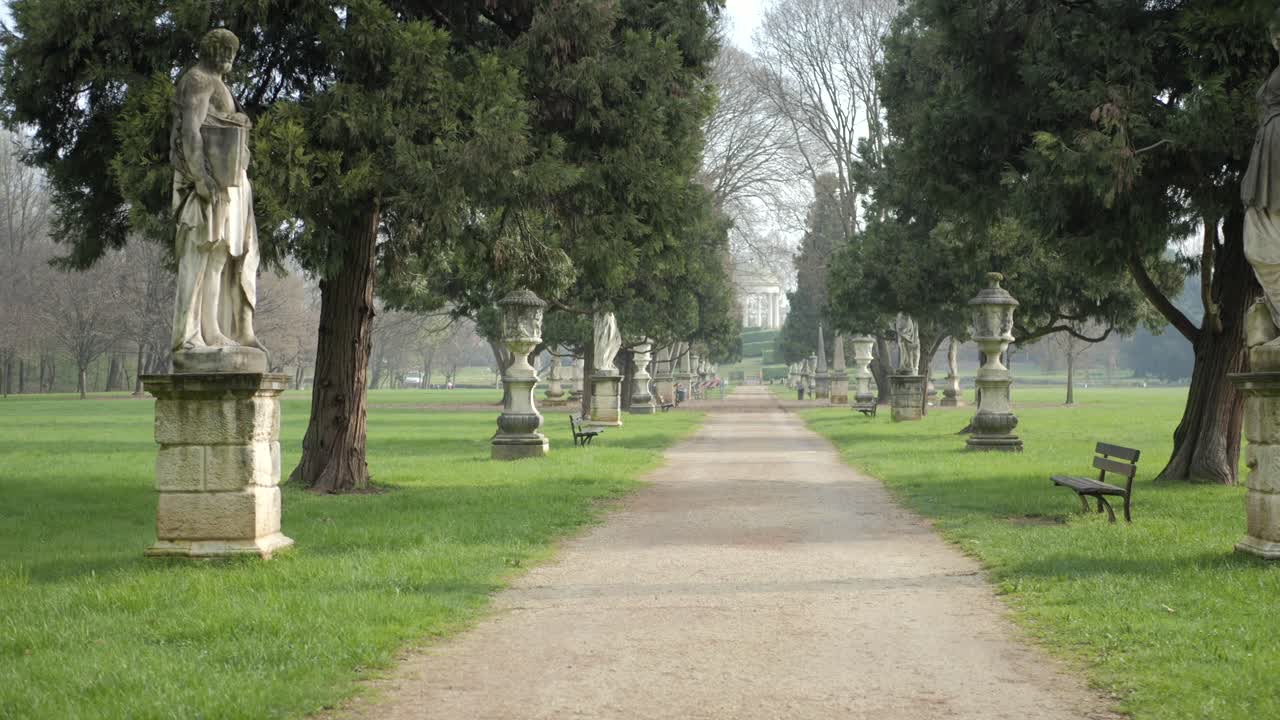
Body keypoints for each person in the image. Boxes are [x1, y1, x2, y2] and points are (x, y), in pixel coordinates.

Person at [170, 28, 263, 355]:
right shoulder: (198, 80)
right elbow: (190, 132)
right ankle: (196, 334)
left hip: (231, 182)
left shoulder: (216, 83)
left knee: (221, 256)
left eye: (232, 53)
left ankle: (214, 330)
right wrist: (200, 178)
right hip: (212, 184)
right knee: (205, 254)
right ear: (207, 50)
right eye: (222, 50)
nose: (227, 58)